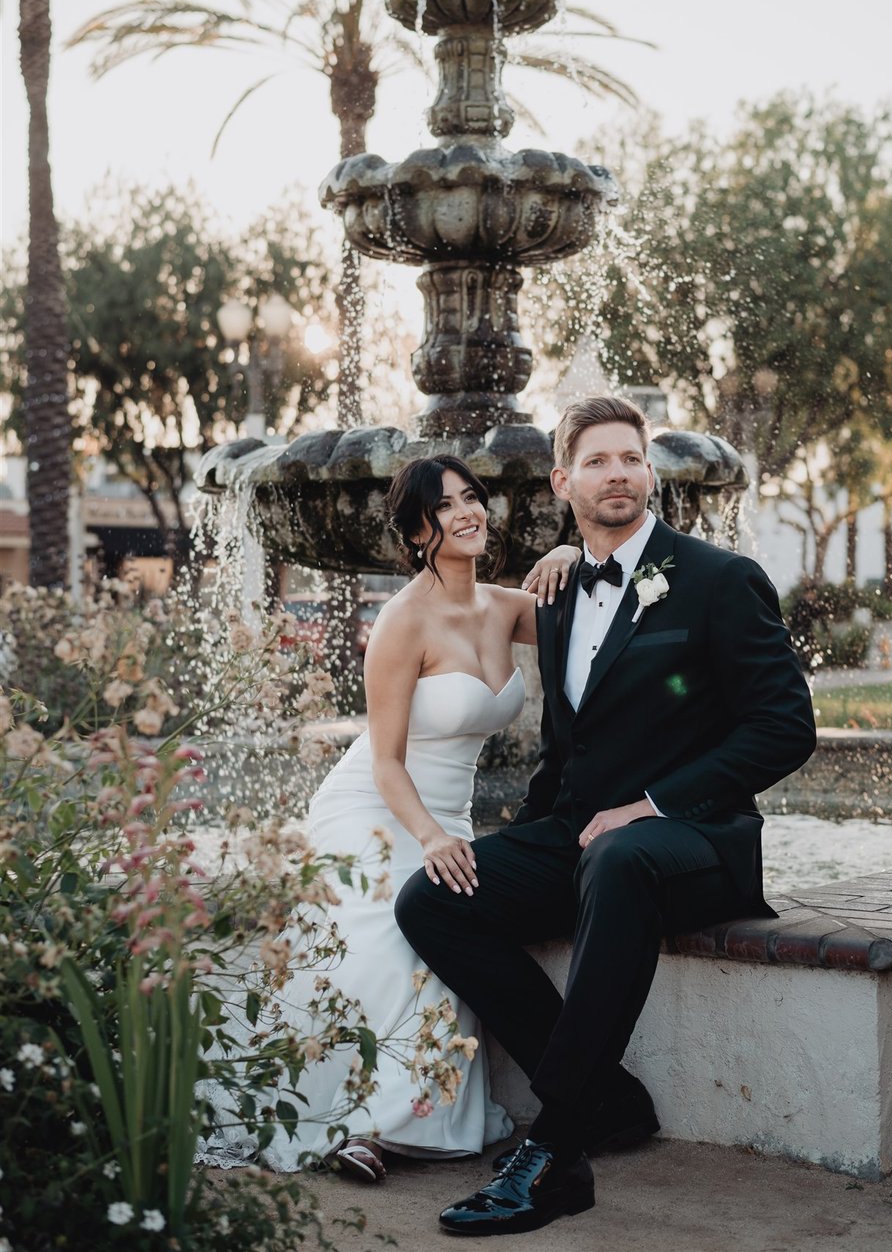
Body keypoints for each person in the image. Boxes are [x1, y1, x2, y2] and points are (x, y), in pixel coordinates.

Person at [395, 396, 818, 1235]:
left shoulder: (718, 579)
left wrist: (651, 806)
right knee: (432, 899)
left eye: (630, 458)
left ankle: (555, 1147)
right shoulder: (555, 594)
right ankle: (607, 1096)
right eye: (597, 461)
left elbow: (785, 729)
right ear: (564, 481)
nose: (617, 472)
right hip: (584, 840)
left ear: (648, 473)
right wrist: (525, 835)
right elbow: (568, 748)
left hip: (695, 843)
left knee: (620, 857)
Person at [197, 454, 577, 1182]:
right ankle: (357, 1129)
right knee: (389, 947)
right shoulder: (402, 622)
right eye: (445, 506)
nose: (468, 512)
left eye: (473, 498)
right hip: (377, 810)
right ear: (416, 533)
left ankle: (403, 1123)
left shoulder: (505, 606)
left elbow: (590, 598)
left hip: (448, 816)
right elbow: (385, 760)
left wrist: (565, 549)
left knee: (451, 935)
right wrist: (430, 837)